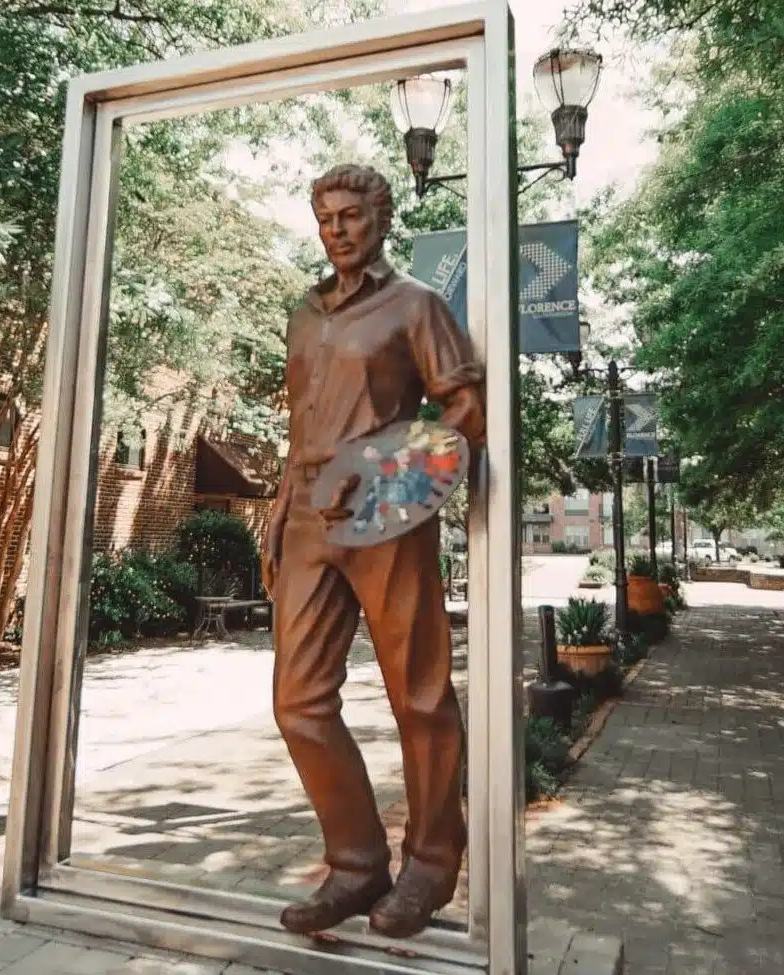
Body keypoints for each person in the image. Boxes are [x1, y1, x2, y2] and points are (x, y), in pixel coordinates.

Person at [261, 163, 485, 939]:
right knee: (298, 701)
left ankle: (430, 862)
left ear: (380, 218)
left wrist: (390, 479)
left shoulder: (415, 305)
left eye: (351, 215)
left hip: (386, 516)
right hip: (307, 522)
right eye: (325, 216)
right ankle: (355, 865)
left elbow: (465, 411)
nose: (336, 229)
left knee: (418, 694)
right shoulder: (304, 311)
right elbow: (298, 424)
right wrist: (281, 505)